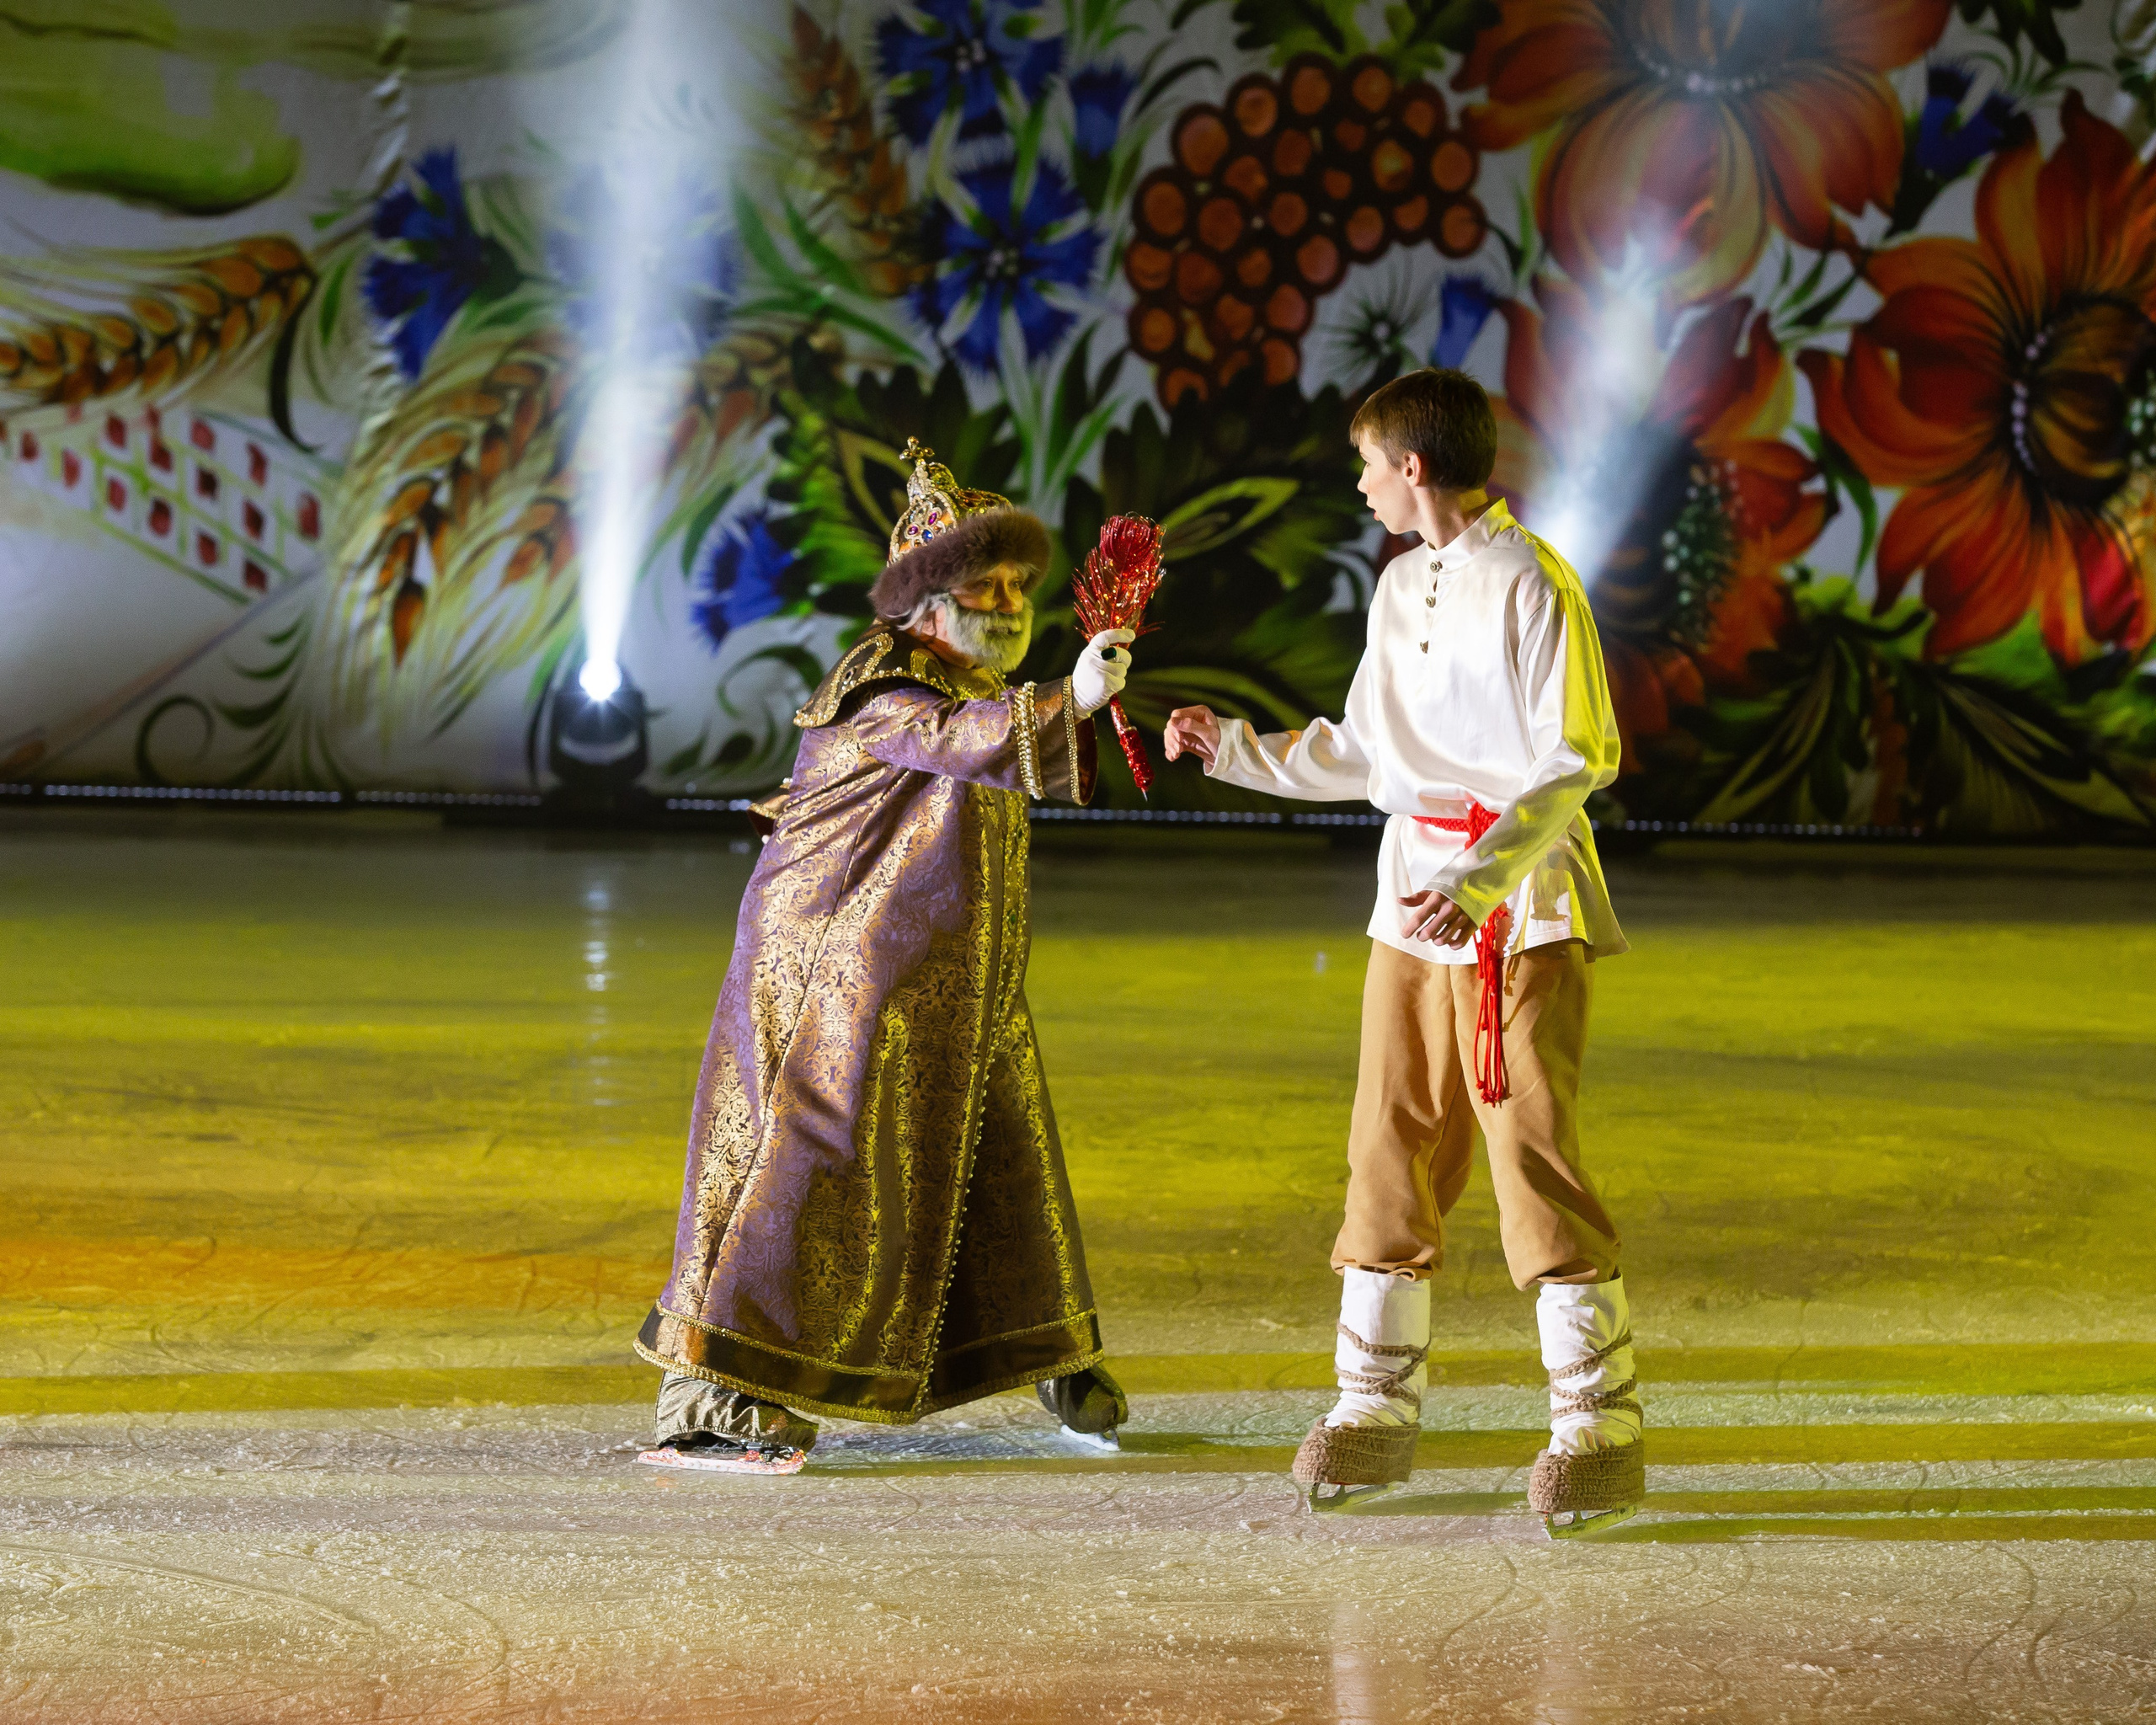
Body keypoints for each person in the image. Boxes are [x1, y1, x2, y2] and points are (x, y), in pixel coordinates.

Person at [1162, 369, 1642, 1535]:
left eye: (1370, 465)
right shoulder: (1395, 587)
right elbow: (1370, 754)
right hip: (1409, 908)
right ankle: (1374, 1405)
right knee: (1389, 1145)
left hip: (1516, 912)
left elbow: (1577, 755)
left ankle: (1600, 1422)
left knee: (1529, 1150)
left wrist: (1478, 884)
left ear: (1413, 466)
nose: (1364, 485)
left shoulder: (1535, 583)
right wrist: (1231, 749)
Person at [634, 440, 1133, 1473]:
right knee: (814, 1150)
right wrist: (1067, 699)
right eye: (978, 585)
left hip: (948, 971)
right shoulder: (885, 681)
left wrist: (1059, 705)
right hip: (837, 970)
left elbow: (985, 739)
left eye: (1013, 585)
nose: (1003, 603)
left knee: (1002, 1144)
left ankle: (1041, 1346)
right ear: (923, 601)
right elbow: (950, 741)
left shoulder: (965, 680)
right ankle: (719, 1386)